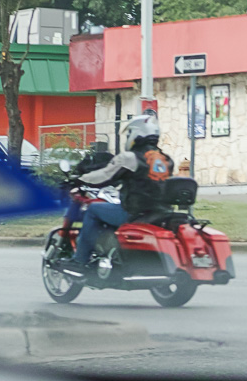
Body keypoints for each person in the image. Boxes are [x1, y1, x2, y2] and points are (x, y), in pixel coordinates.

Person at [62, 115, 175, 273]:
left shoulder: (130, 158)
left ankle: (80, 260)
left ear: (136, 134)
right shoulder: (166, 160)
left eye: (129, 134)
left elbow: (105, 175)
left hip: (134, 213)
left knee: (93, 210)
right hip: (161, 213)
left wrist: (79, 180)